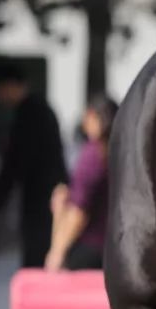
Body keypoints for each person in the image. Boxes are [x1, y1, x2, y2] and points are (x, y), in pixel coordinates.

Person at [0, 62, 68, 268]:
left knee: (37, 260)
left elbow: (15, 163)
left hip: (41, 199)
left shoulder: (29, 113)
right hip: (50, 196)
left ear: (8, 86)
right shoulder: (42, 108)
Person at [46, 94, 118, 271]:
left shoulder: (92, 155)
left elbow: (79, 211)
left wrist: (57, 252)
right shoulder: (121, 152)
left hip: (89, 248)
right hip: (117, 247)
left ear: (94, 117)